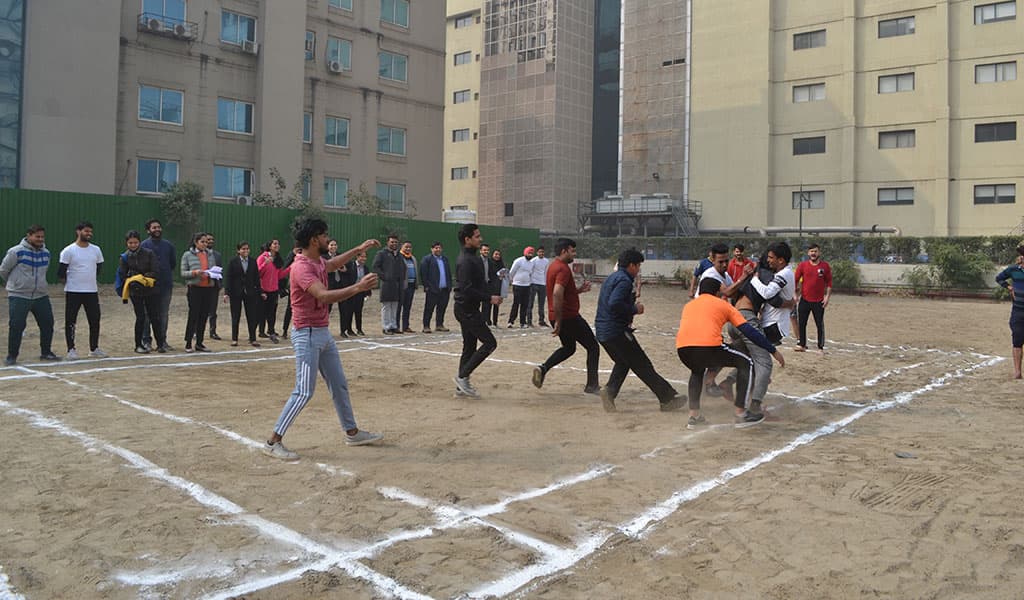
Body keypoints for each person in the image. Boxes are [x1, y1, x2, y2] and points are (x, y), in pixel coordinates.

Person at [263, 220, 384, 461]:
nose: (328, 238)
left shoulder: (316, 261)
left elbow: (332, 264)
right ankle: (273, 441)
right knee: (303, 392)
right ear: (313, 240)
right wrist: (358, 287)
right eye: (324, 235)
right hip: (306, 334)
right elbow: (324, 296)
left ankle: (351, 432)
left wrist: (358, 249)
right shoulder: (302, 268)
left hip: (321, 332)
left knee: (338, 384)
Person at [677, 278, 785, 429]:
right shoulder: (723, 305)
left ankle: (694, 417)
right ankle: (741, 414)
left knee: (697, 371)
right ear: (717, 292)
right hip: (709, 347)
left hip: (683, 349)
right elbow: (748, 331)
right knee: (746, 363)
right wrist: (772, 349)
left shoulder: (688, 306)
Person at [594, 248, 681, 413]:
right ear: (631, 265)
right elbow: (615, 303)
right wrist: (635, 309)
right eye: (638, 265)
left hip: (603, 331)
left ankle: (610, 391)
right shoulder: (624, 281)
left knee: (624, 362)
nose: (639, 269)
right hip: (616, 331)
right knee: (642, 364)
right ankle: (667, 398)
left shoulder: (611, 277)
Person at [721, 242, 795, 414]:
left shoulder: (751, 274)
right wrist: (789, 303)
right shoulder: (766, 274)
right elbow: (773, 299)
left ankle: (725, 382)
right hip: (747, 319)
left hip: (733, 319)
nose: (770, 261)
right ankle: (754, 406)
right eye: (769, 258)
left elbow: (734, 295)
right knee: (763, 363)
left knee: (747, 356)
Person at [532, 238, 600, 394]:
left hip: (558, 315)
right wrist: (559, 320)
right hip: (568, 317)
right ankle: (592, 386)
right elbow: (557, 293)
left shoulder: (553, 266)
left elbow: (562, 292)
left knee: (569, 348)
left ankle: (543, 368)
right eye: (572, 251)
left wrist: (579, 290)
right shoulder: (562, 268)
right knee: (593, 347)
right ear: (564, 251)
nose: (574, 254)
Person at [452, 223, 503, 397]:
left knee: (469, 347)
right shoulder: (466, 260)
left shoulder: (473, 258)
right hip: (466, 309)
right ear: (467, 240)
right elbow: (466, 288)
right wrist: (489, 298)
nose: (480, 239)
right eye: (477, 236)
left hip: (469, 308)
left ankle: (461, 387)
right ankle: (462, 376)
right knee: (490, 343)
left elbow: (478, 284)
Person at [1, 225, 59, 365]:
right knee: (17, 325)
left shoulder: (46, 253)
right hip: (19, 295)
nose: (40, 239)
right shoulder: (16, 252)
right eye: (37, 236)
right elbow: (3, 270)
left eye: (42, 237)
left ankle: (46, 352)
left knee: (47, 323)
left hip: (41, 295)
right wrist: (15, 285)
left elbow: (44, 271)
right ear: (29, 236)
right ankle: (12, 356)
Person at [58, 221, 107, 359]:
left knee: (94, 319)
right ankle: (71, 349)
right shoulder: (68, 251)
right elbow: (61, 273)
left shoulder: (96, 250)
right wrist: (71, 285)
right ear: (78, 231)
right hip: (74, 292)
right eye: (86, 231)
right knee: (71, 320)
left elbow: (98, 268)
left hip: (91, 291)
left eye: (90, 231)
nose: (89, 234)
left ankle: (94, 348)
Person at [117, 230, 165, 354]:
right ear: (126, 243)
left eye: (135, 242)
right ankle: (139, 344)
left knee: (155, 316)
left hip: (150, 289)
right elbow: (122, 275)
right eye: (130, 243)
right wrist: (133, 280)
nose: (133, 245)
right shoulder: (124, 257)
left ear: (139, 242)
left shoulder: (149, 254)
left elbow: (156, 271)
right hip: (135, 291)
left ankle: (160, 344)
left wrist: (142, 278)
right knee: (141, 317)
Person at [140, 218, 175, 352]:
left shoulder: (168, 245)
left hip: (165, 285)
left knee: (163, 314)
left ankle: (162, 341)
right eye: (154, 228)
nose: (157, 230)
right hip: (148, 286)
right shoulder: (143, 246)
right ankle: (146, 341)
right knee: (147, 314)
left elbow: (172, 264)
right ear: (148, 230)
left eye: (159, 227)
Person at [180, 232, 219, 352]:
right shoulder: (187, 255)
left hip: (208, 288)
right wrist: (195, 272)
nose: (205, 244)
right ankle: (188, 343)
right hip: (194, 288)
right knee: (193, 316)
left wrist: (214, 273)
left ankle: (199, 343)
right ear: (196, 242)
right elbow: (183, 273)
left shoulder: (210, 255)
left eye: (206, 242)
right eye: (202, 241)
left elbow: (213, 269)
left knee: (203, 316)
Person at [794, 243, 832, 352]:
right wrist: (794, 295)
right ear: (808, 253)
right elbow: (795, 280)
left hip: (819, 301)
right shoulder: (803, 265)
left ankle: (820, 347)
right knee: (802, 323)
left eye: (815, 251)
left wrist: (827, 297)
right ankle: (802, 344)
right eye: (811, 251)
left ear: (819, 252)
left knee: (819, 324)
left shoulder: (825, 266)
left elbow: (829, 283)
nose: (813, 253)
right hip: (804, 300)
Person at [223, 240, 263, 347]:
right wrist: (227, 292)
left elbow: (256, 278)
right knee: (235, 316)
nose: (246, 251)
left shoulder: (253, 261)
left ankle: (252, 338)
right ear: (238, 250)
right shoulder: (233, 261)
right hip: (236, 292)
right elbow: (229, 278)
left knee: (252, 316)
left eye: (247, 249)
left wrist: (260, 291)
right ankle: (234, 339)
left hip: (250, 292)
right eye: (243, 249)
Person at [995, 243, 1024, 379]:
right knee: (1017, 340)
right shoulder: (1013, 270)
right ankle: (1017, 371)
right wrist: (1008, 287)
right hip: (1018, 311)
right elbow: (999, 278)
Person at [257, 239, 289, 343]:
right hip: (263, 289)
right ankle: (259, 332)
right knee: (261, 312)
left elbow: (279, 275)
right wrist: (265, 264)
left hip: (274, 290)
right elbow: (258, 273)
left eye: (278, 244)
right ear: (270, 246)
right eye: (274, 243)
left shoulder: (278, 259)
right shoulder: (263, 257)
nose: (277, 245)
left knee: (272, 312)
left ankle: (271, 332)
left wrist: (291, 268)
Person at [372, 234, 405, 335]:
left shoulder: (399, 255)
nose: (394, 244)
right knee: (386, 305)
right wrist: (385, 277)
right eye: (392, 242)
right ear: (387, 242)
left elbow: (403, 268)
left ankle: (393, 326)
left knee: (395, 305)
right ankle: (386, 327)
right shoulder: (381, 254)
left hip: (397, 284)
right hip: (386, 284)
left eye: (395, 242)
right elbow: (375, 267)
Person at [420, 241, 452, 333]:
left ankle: (439, 325)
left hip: (444, 289)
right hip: (432, 289)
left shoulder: (445, 259)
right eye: (436, 248)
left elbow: (448, 273)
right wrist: (426, 286)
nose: (438, 249)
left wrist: (449, 286)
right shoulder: (427, 259)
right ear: (432, 249)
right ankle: (426, 326)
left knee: (442, 308)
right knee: (429, 308)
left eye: (439, 248)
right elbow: (423, 273)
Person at [339, 251, 370, 336]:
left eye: (365, 257)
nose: (363, 259)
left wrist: (367, 292)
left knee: (358, 311)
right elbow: (344, 274)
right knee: (348, 311)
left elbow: (367, 280)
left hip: (360, 292)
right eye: (362, 257)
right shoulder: (351, 265)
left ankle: (359, 329)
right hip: (351, 291)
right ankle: (347, 329)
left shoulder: (365, 268)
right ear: (357, 257)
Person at [507, 246, 535, 328]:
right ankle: (511, 321)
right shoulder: (518, 261)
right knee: (516, 303)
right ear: (525, 253)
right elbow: (512, 272)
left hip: (527, 286)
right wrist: (511, 281)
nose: (530, 255)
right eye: (529, 253)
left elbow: (530, 273)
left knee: (524, 305)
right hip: (517, 285)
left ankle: (523, 322)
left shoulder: (531, 263)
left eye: (531, 253)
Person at [279, 243, 302, 339]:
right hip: (294, 285)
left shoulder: (307, 255)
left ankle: (300, 329)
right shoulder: (292, 255)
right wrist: (293, 254)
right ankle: (285, 330)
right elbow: (285, 267)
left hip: (305, 285)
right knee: (290, 308)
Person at [205, 234, 223, 340]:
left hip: (214, 285)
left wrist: (220, 284)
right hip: (202, 285)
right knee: (199, 310)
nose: (210, 241)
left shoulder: (217, 255)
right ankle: (195, 331)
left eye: (212, 239)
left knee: (213, 310)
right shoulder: (199, 254)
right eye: (208, 240)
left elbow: (220, 269)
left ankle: (213, 331)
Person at [397, 241, 418, 333]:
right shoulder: (398, 258)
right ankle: (396, 326)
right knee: (398, 307)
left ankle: (406, 326)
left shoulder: (412, 258)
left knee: (407, 307)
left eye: (410, 247)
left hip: (411, 286)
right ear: (401, 247)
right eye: (406, 247)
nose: (408, 249)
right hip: (402, 286)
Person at [529, 246, 551, 327]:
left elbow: (546, 272)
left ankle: (541, 320)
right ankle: (529, 321)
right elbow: (530, 271)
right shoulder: (533, 261)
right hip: (533, 283)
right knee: (530, 303)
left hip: (542, 284)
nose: (541, 253)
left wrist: (545, 283)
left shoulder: (546, 261)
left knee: (541, 304)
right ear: (537, 252)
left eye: (542, 252)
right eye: (539, 252)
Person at [488, 248, 507, 327]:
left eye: (499, 254)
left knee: (496, 305)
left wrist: (503, 276)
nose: (497, 256)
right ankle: (488, 322)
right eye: (496, 254)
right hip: (490, 286)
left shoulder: (501, 264)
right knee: (488, 305)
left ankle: (495, 322)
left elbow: (504, 275)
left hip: (498, 287)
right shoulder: (489, 263)